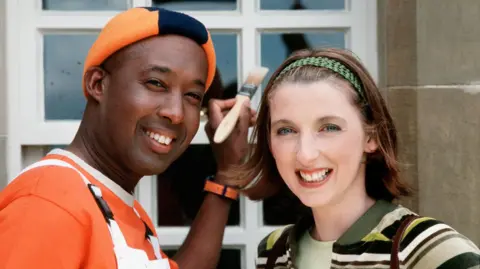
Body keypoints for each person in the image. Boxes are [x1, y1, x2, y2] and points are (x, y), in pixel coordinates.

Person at [0, 7, 255, 269]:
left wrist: (228, 173)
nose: (176, 113)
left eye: (192, 96)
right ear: (98, 84)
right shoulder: (49, 205)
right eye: (156, 83)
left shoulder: (118, 204)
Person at [227, 47, 480, 269]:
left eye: (329, 127)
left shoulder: (426, 249)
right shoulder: (272, 253)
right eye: (286, 130)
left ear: (371, 136)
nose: (305, 153)